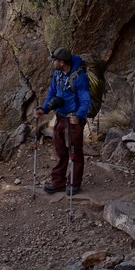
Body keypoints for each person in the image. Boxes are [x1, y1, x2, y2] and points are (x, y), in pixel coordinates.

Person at [34, 46, 91, 195]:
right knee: (60, 151)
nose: (52, 63)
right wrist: (44, 109)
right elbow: (51, 93)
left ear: (62, 62)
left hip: (73, 120)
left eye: (54, 61)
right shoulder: (57, 74)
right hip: (60, 118)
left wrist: (78, 117)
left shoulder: (80, 78)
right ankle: (58, 182)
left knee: (75, 152)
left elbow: (86, 101)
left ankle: (74, 183)